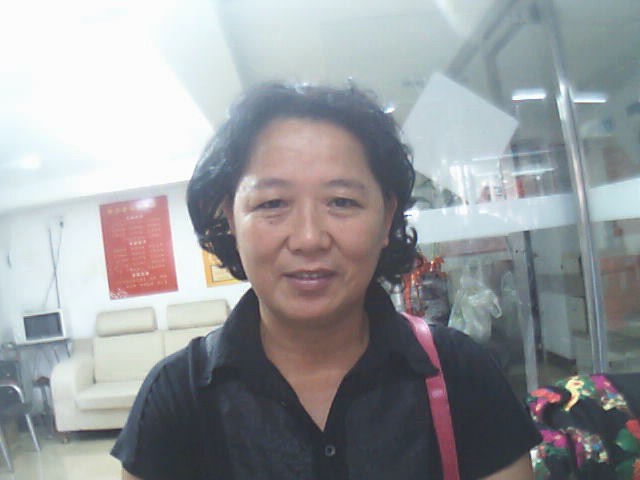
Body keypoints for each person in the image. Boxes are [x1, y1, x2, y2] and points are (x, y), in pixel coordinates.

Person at [111, 82, 541, 479]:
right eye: (272, 203)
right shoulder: (177, 399)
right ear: (231, 219)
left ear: (386, 217)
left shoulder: (462, 375)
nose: (309, 238)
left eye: (342, 201)